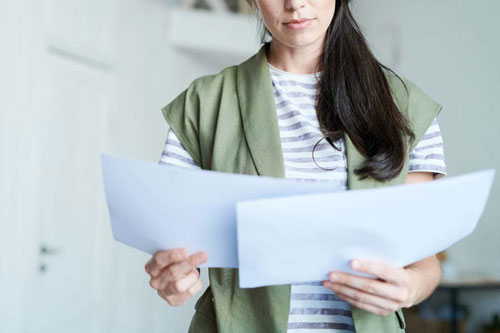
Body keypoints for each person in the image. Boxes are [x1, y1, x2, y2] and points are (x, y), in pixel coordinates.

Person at [144, 0, 447, 332]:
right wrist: (173, 281)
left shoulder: (405, 105)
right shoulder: (204, 104)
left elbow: (424, 257)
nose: (295, 4)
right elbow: (175, 249)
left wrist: (410, 288)